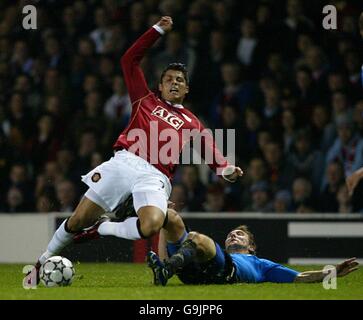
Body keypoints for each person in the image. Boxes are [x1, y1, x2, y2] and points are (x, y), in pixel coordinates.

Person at [25, 16, 242, 285]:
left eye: (180, 80)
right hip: (126, 162)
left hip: (156, 176)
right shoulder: (144, 98)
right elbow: (129, 60)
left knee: (151, 225)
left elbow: (211, 152)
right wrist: (157, 30)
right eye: (169, 79)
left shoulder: (192, 122)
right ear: (160, 86)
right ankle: (41, 262)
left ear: (187, 89)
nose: (174, 83)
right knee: (77, 220)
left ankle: (104, 227)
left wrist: (225, 169)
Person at [147, 209, 358, 286]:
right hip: (191, 271)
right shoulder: (213, 251)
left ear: (251, 247)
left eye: (239, 234)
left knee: (195, 237)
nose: (233, 235)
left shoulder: (261, 264)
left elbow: (300, 277)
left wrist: (332, 273)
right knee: (170, 216)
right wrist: (164, 229)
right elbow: (166, 248)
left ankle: (166, 270)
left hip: (224, 272)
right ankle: (166, 270)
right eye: (230, 235)